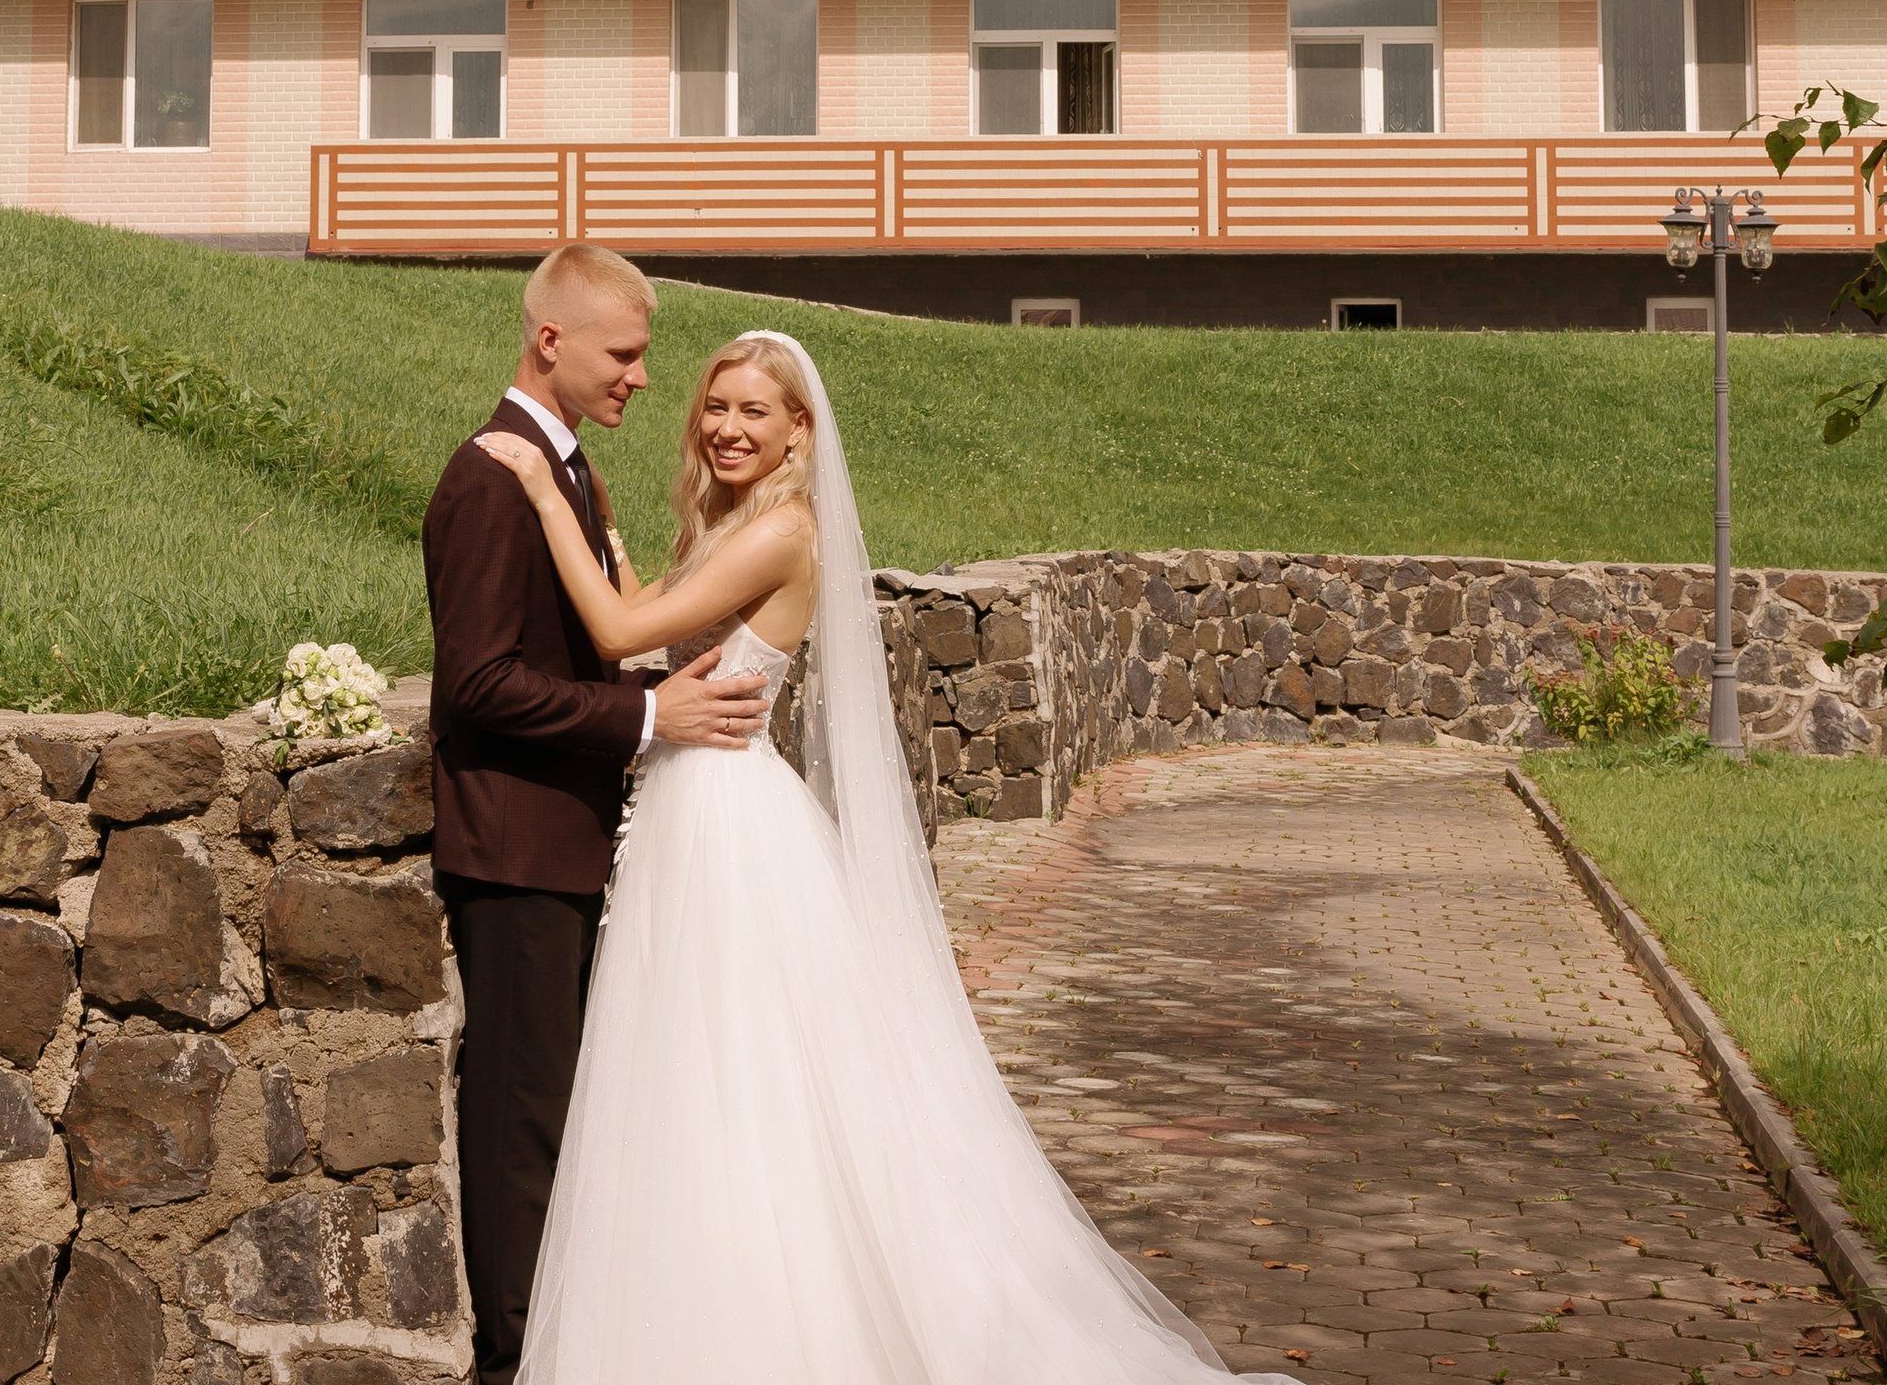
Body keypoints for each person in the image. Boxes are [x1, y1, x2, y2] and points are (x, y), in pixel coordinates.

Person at [474, 328, 1300, 1385]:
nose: (727, 426)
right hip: (700, 806)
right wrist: (628, 557)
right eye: (715, 406)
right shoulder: (740, 524)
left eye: (753, 412)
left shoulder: (781, 533)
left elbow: (621, 628)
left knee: (736, 1079)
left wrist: (549, 493)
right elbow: (649, 640)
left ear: (799, 431)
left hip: (723, 819)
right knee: (699, 1076)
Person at [421, 244, 769, 1385]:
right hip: (515, 846)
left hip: (560, 842)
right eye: (623, 355)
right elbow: (475, 684)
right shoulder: (490, 474)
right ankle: (514, 1359)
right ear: (550, 340)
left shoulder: (563, 469)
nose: (638, 379)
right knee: (522, 1126)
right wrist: (644, 718)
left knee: (555, 1119)